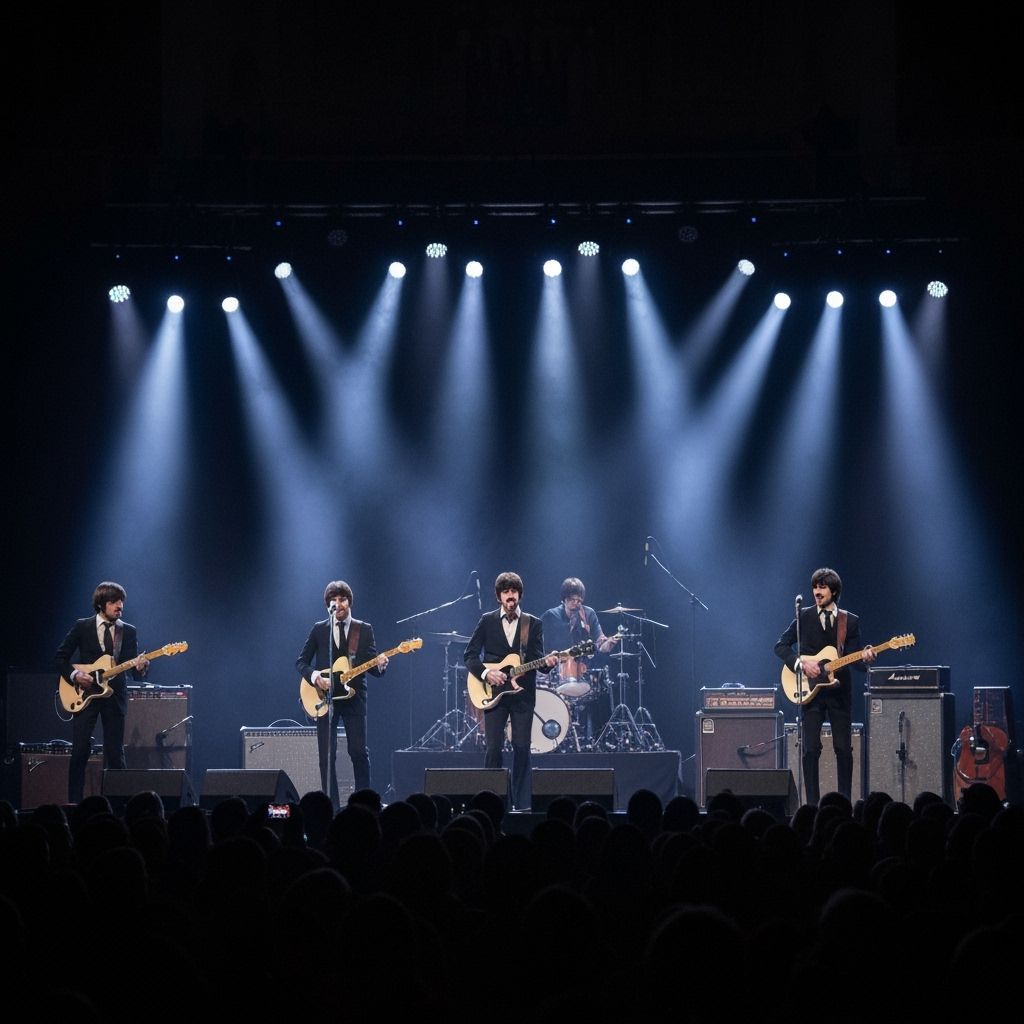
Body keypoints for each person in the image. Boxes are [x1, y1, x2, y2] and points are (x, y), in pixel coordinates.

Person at [774, 567, 875, 806]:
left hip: (839, 693)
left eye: (822, 587)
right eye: (815, 587)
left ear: (834, 590)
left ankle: (843, 804)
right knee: (810, 750)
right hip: (811, 694)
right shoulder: (804, 617)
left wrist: (867, 659)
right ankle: (811, 806)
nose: (817, 592)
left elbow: (854, 659)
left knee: (843, 749)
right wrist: (801, 664)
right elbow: (780, 646)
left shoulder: (849, 621)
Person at [464, 572, 557, 810]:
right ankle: (490, 802)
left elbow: (537, 661)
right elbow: (470, 656)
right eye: (506, 592)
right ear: (499, 596)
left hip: (523, 694)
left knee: (522, 747)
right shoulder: (487, 620)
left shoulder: (532, 623)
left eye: (514, 591)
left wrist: (548, 664)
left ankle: (522, 804)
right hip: (492, 693)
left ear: (519, 594)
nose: (510, 596)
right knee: (493, 747)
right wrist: (487, 674)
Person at [296, 580, 388, 808]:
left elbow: (372, 668)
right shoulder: (319, 629)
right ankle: (332, 807)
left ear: (349, 601)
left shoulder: (363, 629)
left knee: (357, 751)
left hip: (354, 698)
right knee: (326, 757)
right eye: (333, 601)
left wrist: (381, 665)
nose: (338, 604)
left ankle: (364, 805)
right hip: (325, 698)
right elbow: (301, 662)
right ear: (328, 604)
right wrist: (316, 676)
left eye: (342, 599)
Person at [56, 581, 149, 804]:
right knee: (79, 752)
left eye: (122, 602)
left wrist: (141, 668)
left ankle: (118, 807)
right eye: (114, 602)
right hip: (85, 696)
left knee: (115, 755)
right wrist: (76, 676)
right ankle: (74, 805)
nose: (120, 607)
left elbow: (134, 672)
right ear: (101, 604)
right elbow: (60, 658)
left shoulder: (128, 631)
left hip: (114, 697)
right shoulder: (82, 627)